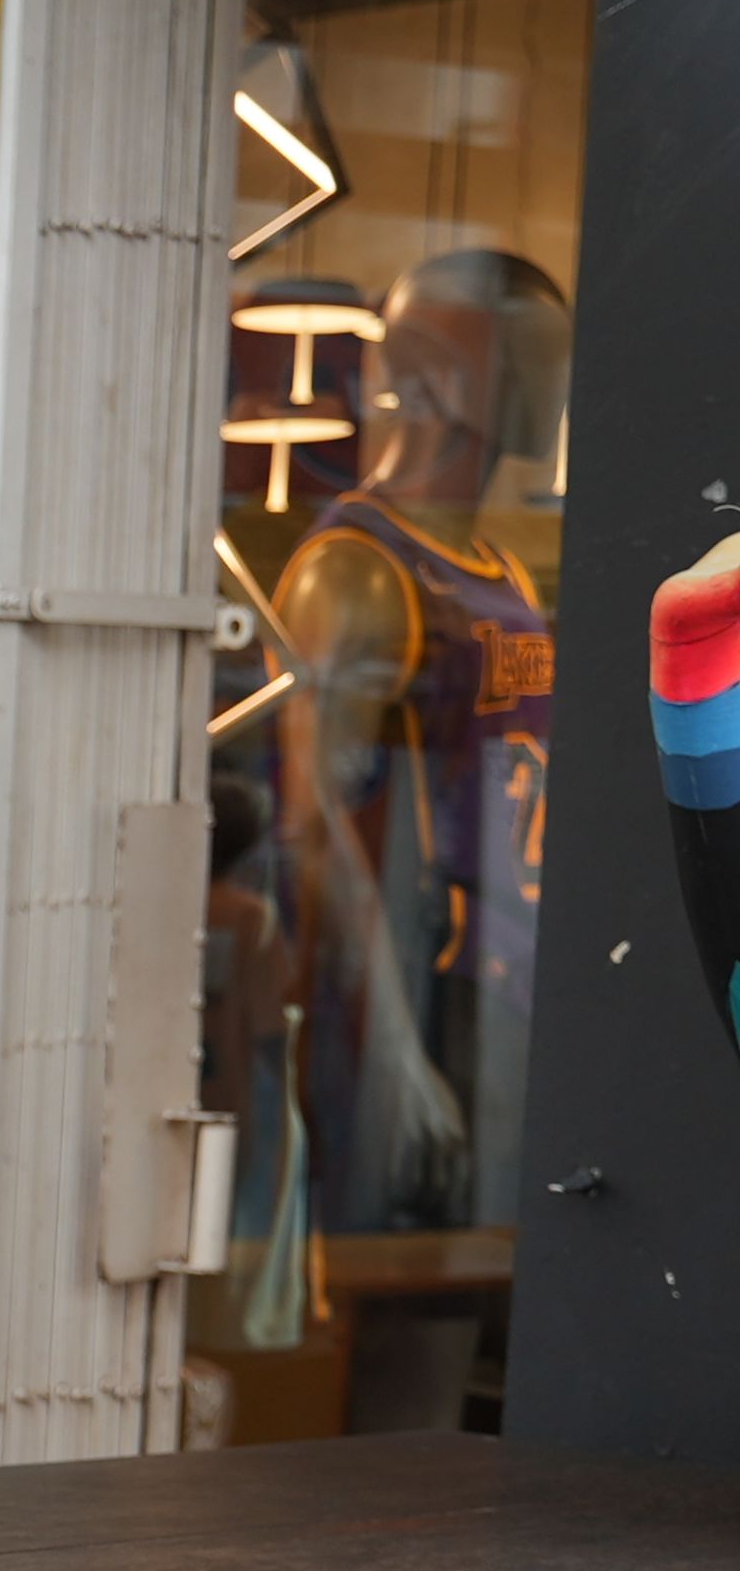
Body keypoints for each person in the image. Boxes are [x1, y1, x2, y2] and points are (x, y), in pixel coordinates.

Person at [272, 248, 565, 1235]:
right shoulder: (356, 573)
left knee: (479, 1307)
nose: (559, 387)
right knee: (409, 1321)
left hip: (510, 1000)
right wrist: (393, 1055)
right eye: (537, 358)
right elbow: (310, 828)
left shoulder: (502, 576)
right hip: (421, 1003)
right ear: (447, 373)